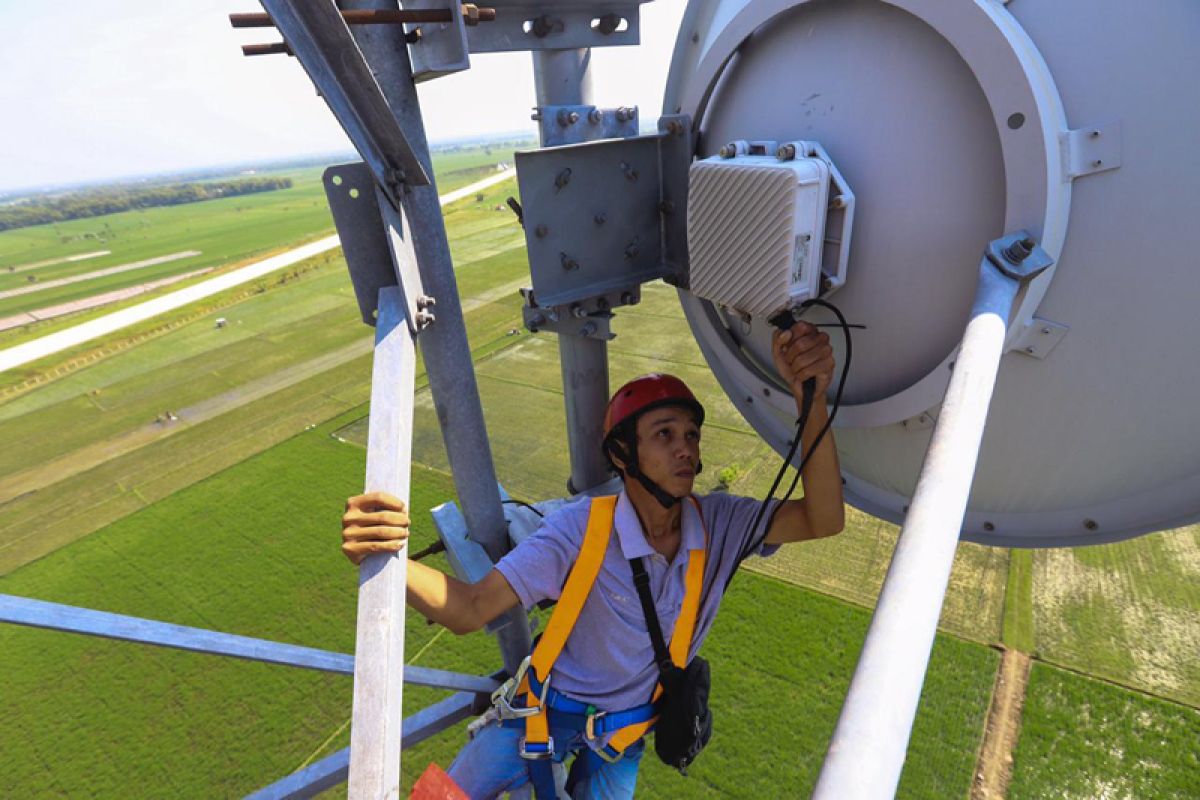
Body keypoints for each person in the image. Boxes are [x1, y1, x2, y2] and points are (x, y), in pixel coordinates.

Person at [340, 320, 844, 799]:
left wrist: (811, 400)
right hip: (543, 712)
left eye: (691, 435)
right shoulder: (581, 531)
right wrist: (387, 555)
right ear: (623, 455)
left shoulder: (720, 525)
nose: (686, 449)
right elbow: (471, 608)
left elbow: (824, 518)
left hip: (623, 733)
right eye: (664, 435)